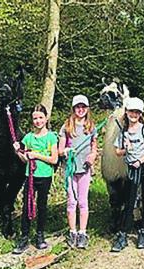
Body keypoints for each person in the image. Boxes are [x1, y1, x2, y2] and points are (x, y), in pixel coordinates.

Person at [111, 97, 144, 252]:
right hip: (131, 169)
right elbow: (117, 151)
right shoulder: (123, 132)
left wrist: (140, 161)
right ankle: (123, 234)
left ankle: (143, 231)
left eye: (137, 112)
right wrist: (126, 150)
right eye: (131, 111)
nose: (134, 115)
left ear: (141, 114)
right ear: (127, 112)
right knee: (129, 201)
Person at [13, 105, 58, 254]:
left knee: (42, 205)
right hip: (30, 176)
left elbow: (54, 159)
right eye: (35, 118)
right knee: (27, 206)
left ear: (46, 118)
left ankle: (40, 235)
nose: (38, 121)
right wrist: (17, 151)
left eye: (40, 118)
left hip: (45, 176)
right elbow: (25, 159)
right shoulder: (29, 138)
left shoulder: (51, 137)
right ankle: (24, 237)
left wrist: (37, 155)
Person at [58, 95, 98, 249]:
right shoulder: (67, 127)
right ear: (73, 109)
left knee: (83, 202)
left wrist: (92, 156)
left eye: (83, 107)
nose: (80, 110)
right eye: (77, 107)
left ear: (87, 109)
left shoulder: (91, 127)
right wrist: (66, 151)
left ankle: (82, 232)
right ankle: (72, 231)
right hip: (70, 169)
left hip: (85, 169)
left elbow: (94, 147)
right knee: (71, 201)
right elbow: (60, 150)